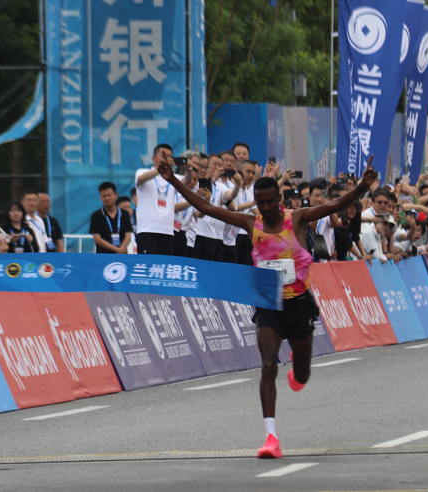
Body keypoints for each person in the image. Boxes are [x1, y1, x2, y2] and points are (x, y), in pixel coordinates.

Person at [155, 150, 379, 459]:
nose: (266, 207)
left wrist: (362, 188)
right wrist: (173, 181)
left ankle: (297, 371)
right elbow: (206, 207)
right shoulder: (251, 223)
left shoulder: (297, 219)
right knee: (268, 364)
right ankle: (271, 437)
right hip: (268, 305)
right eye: (260, 203)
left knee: (302, 375)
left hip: (299, 305)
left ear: (280, 199)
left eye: (271, 202)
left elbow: (333, 205)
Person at [135, 144, 192, 255]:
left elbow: (186, 181)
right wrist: (161, 169)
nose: (167, 159)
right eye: (163, 156)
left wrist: (189, 169)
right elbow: (141, 179)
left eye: (170, 157)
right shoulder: (142, 172)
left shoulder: (172, 178)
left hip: (167, 231)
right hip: (147, 230)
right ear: (153, 158)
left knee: (165, 263)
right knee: (149, 263)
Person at [89, 182, 133, 254]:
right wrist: (117, 250)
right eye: (104, 196)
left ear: (116, 195)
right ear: (100, 198)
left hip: (122, 254)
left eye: (109, 195)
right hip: (104, 255)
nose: (106, 198)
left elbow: (128, 236)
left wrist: (121, 249)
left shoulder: (124, 214)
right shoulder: (96, 216)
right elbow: (97, 239)